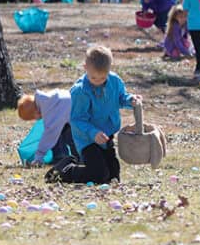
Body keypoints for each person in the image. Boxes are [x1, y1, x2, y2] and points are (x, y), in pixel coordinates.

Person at [46, 46, 142, 184]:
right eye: (93, 77)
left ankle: (101, 174)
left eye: (103, 77)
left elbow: (120, 97)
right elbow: (77, 119)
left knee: (113, 174)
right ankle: (63, 171)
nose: (98, 81)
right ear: (85, 67)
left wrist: (130, 100)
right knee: (98, 174)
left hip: (106, 134)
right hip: (86, 138)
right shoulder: (80, 92)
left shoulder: (114, 81)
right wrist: (93, 133)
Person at [17, 89, 76, 165]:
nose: (38, 119)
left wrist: (39, 156)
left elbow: (50, 135)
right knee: (63, 132)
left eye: (34, 118)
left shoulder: (50, 111)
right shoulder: (49, 98)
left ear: (36, 113)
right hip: (74, 117)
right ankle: (71, 156)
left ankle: (63, 157)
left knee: (61, 135)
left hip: (78, 122)